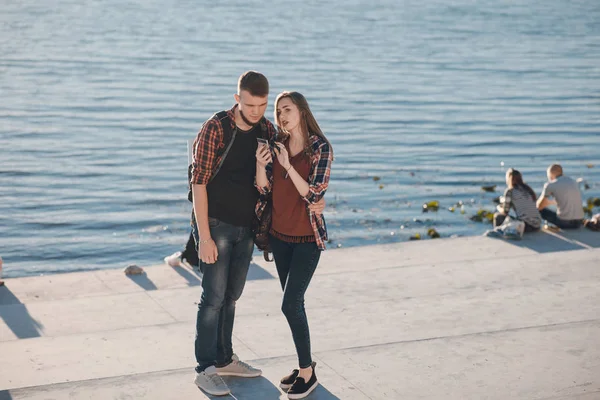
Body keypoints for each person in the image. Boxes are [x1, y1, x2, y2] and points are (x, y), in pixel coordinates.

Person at [190, 73, 325, 397]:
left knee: (232, 297)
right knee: (212, 299)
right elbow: (198, 183)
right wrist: (204, 236)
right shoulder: (217, 127)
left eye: (263, 105)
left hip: (248, 227)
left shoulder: (266, 131)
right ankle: (205, 368)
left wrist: (318, 200)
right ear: (237, 99)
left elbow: (280, 178)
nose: (257, 111)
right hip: (217, 225)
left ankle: (225, 358)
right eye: (250, 104)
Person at [255, 91, 333, 399]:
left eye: (286, 109)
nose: (281, 116)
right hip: (279, 237)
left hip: (306, 240)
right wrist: (263, 165)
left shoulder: (319, 148)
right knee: (294, 306)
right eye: (277, 111)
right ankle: (305, 368)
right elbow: (264, 190)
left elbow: (314, 195)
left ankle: (307, 371)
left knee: (290, 304)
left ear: (301, 110)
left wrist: (287, 166)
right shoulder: (277, 145)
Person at [537, 164, 584, 229]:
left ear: (550, 174)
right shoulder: (573, 182)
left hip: (564, 223)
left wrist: (545, 203)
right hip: (579, 222)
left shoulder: (550, 184)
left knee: (540, 210)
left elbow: (539, 206)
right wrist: (551, 203)